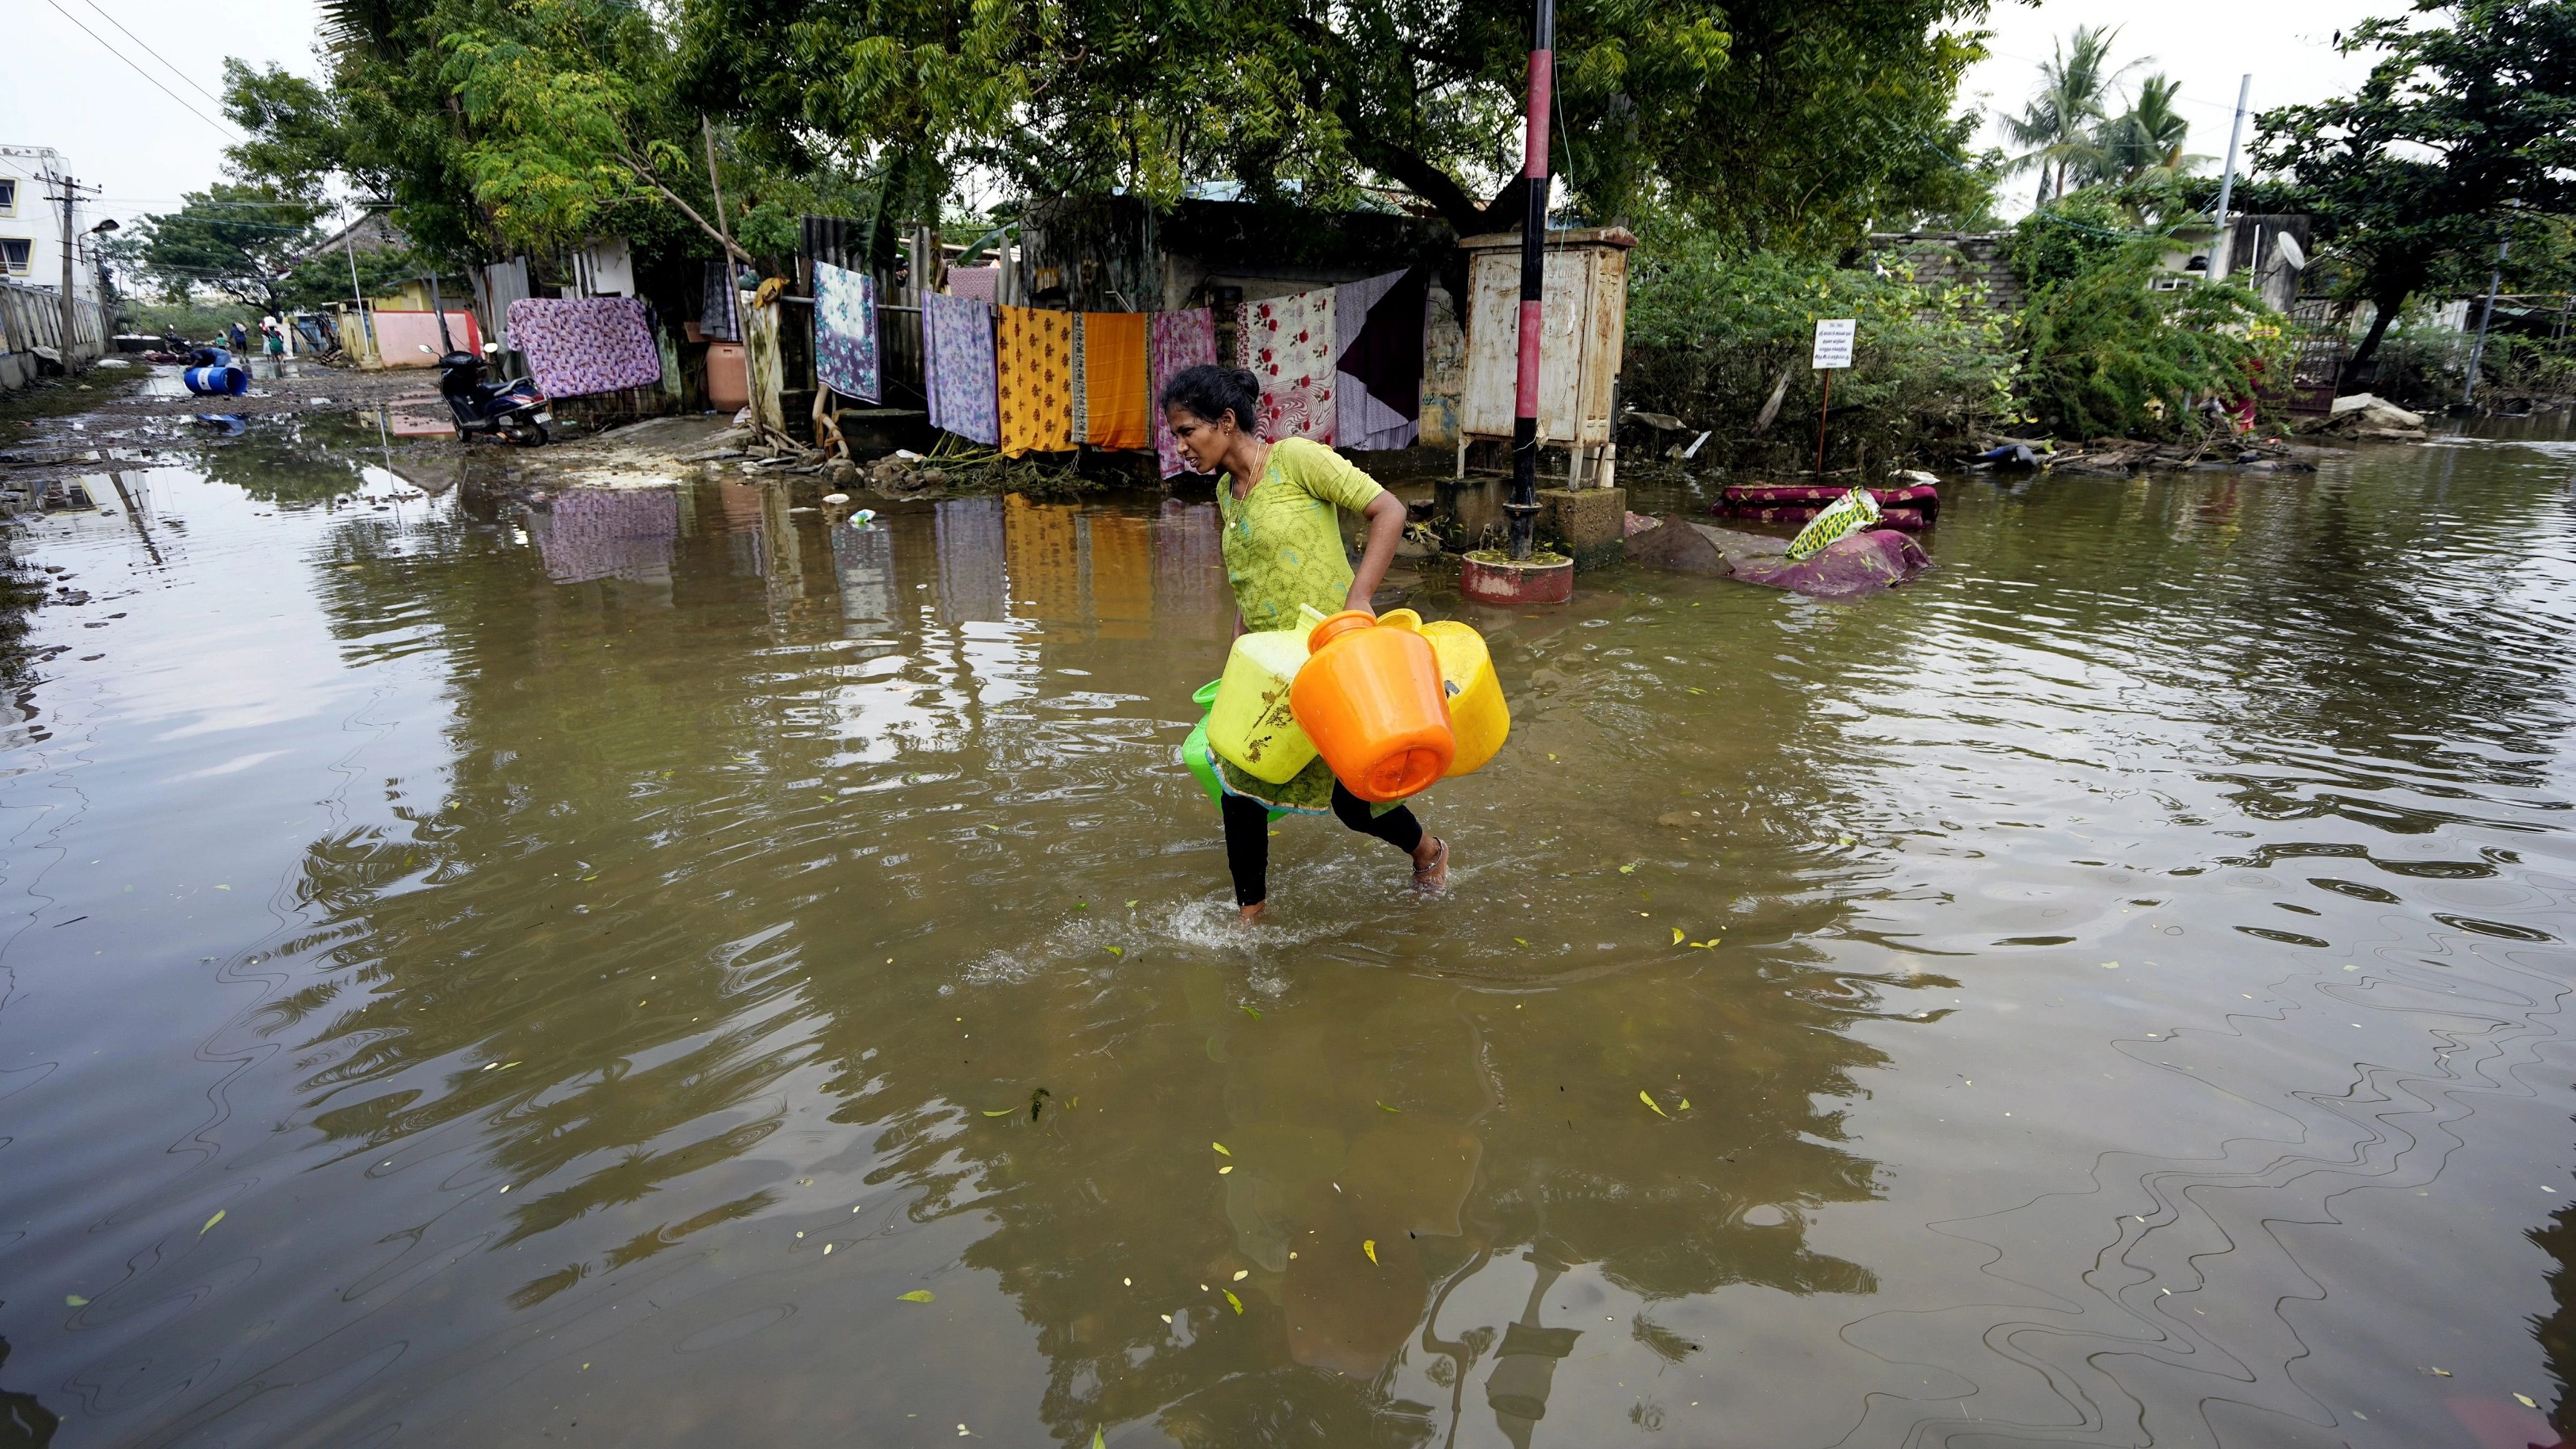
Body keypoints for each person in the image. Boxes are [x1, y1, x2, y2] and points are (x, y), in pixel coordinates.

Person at [1160, 363, 1447, 923]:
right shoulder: (1226, 492)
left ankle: (1429, 852)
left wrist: (1361, 598)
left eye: (1186, 431)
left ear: (1224, 421)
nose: (1180, 447)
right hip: (1273, 668)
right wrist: (1238, 659)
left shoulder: (1295, 460)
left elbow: (1387, 509)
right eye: (1175, 435)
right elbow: (1248, 581)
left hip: (1334, 658)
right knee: (1239, 784)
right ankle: (1252, 918)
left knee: (1352, 799)